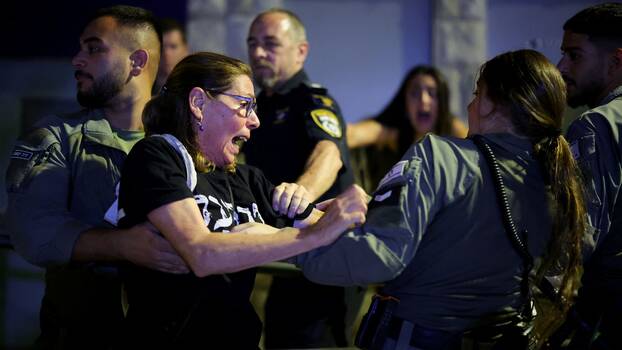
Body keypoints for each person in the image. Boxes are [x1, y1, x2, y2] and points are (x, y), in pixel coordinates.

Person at [287, 50, 586, 349]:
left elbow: (378, 256)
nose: (469, 106)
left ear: (490, 103)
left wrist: (297, 247)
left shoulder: (438, 156)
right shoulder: (558, 182)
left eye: (475, 94)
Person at [115, 51, 368, 348]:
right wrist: (316, 234)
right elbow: (202, 253)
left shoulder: (246, 179)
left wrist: (346, 214)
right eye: (244, 105)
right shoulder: (157, 156)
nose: (256, 121)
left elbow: (323, 226)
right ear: (198, 103)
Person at [4, 6, 186, 349]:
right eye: (79, 49)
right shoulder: (57, 137)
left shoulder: (188, 145)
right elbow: (33, 230)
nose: (76, 60)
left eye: (93, 48)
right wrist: (125, 245)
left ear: (137, 61)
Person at [244, 8, 356, 348]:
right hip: (287, 251)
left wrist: (301, 191)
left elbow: (329, 153)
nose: (259, 52)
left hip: (326, 257)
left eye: (271, 43)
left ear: (301, 51)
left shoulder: (313, 99)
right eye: (252, 43)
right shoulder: (256, 105)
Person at [548, 3, 622, 348]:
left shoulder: (595, 125)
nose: (561, 68)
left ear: (616, 60)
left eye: (574, 55)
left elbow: (578, 237)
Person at [347, 65, 468, 191]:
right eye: (415, 93)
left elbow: (477, 153)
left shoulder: (452, 129)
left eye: (432, 93)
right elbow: (348, 135)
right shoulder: (391, 134)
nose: (423, 100)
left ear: (442, 103)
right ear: (405, 103)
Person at [152, 18, 189, 95]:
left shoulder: (196, 88)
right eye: (161, 47)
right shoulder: (141, 90)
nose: (166, 53)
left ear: (185, 49)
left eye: (173, 46)